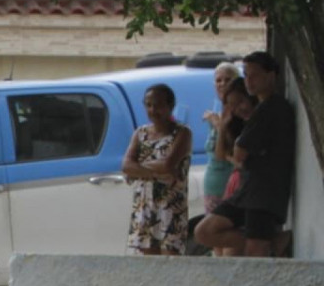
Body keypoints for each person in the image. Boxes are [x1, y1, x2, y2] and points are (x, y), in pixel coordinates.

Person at [195, 51, 295, 257]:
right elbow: (230, 153)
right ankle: (274, 243)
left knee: (254, 252)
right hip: (246, 190)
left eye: (254, 75)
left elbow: (240, 152)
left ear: (271, 75)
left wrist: (240, 150)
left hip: (265, 192)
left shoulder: (272, 107)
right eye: (246, 75)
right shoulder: (259, 111)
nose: (249, 80)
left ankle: (271, 245)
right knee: (205, 231)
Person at [122, 83, 192, 255]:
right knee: (149, 263)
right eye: (149, 105)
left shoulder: (182, 133)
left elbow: (168, 164)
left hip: (170, 206)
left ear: (170, 106)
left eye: (159, 105)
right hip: (145, 205)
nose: (153, 110)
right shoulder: (141, 133)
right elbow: (126, 165)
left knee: (171, 258)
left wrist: (139, 170)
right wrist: (155, 171)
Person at [201, 62, 241, 215]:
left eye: (228, 79)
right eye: (219, 80)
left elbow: (230, 151)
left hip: (230, 183)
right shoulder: (218, 111)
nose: (222, 84)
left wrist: (219, 126)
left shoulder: (238, 113)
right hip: (212, 185)